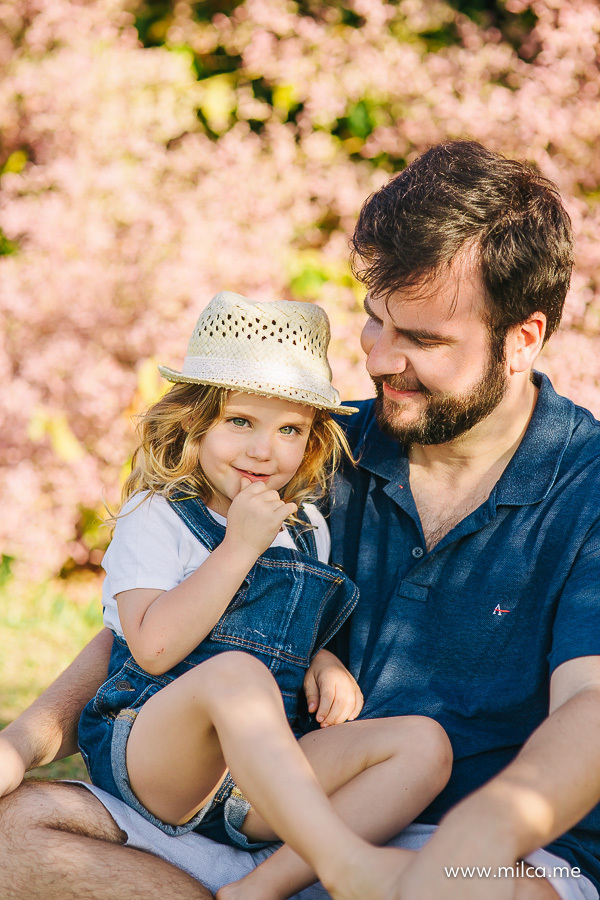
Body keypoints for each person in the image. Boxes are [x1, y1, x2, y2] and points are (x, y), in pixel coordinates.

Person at [2, 139, 600, 900]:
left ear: (522, 340)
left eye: (421, 339)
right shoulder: (303, 451)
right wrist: (25, 741)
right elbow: (157, 611)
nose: (380, 360)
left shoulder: (588, 488)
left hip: (481, 853)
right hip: (273, 817)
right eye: (375, 322)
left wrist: (484, 833)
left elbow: (592, 706)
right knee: (10, 838)